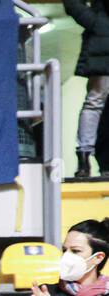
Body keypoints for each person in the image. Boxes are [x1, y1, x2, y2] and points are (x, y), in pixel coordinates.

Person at [65, 0, 109, 178]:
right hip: (103, 39)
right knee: (95, 101)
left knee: (95, 103)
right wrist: (97, 23)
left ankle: (89, 159)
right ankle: (84, 158)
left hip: (102, 34)